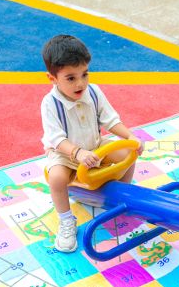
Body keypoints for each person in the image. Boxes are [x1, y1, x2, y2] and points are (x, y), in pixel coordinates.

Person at [40, 34, 143, 253]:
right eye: (70, 78)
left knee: (128, 153)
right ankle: (66, 220)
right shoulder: (50, 104)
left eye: (84, 74)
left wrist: (130, 137)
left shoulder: (93, 91)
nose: (80, 83)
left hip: (95, 145)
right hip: (66, 153)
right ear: (52, 78)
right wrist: (77, 153)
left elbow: (111, 120)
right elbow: (56, 139)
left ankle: (120, 194)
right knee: (56, 178)